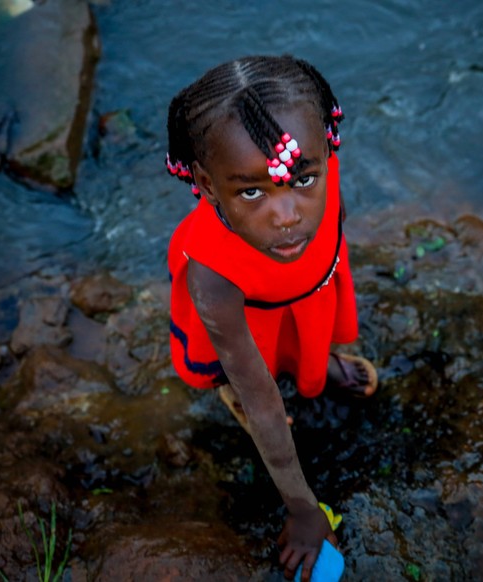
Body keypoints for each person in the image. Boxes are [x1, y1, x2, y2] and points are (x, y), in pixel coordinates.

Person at [164, 55, 378, 581]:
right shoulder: (212, 277)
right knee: (254, 378)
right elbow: (265, 405)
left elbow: (328, 211)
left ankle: (315, 359)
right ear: (209, 187)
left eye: (304, 178)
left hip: (310, 289)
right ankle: (238, 387)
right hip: (245, 311)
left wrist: (320, 205)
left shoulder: (314, 165)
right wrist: (305, 510)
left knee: (309, 333)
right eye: (252, 192)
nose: (286, 217)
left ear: (327, 152)